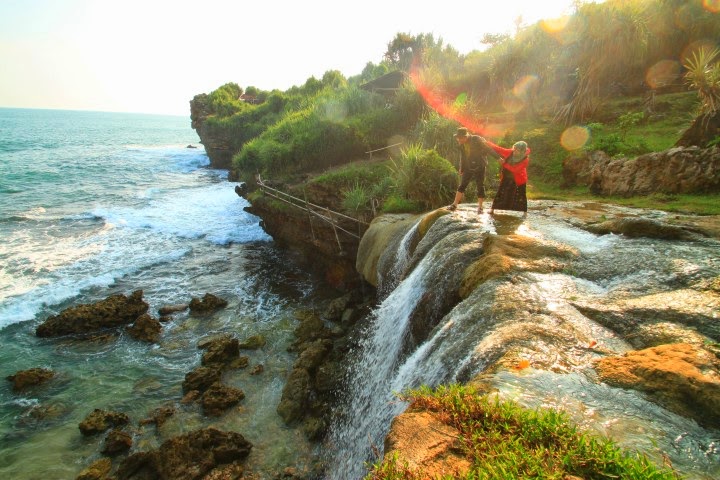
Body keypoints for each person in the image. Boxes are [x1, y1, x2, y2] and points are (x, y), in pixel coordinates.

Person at [446, 127, 502, 213]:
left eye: (460, 138)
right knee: (462, 185)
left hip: (480, 165)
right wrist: (461, 167)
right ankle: (454, 205)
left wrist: (497, 157)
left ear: (465, 136)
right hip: (468, 166)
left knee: (480, 185)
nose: (458, 140)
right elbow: (463, 156)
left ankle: (480, 207)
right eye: (457, 138)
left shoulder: (476, 139)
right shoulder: (462, 144)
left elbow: (487, 148)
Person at [487, 140, 530, 216]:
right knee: (501, 191)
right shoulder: (510, 152)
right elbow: (499, 149)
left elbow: (515, 170)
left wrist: (504, 163)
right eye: (515, 148)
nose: (515, 151)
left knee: (521, 194)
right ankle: (492, 209)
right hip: (507, 175)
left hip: (519, 178)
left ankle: (525, 212)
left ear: (522, 151)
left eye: (518, 150)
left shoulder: (525, 159)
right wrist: (487, 142)